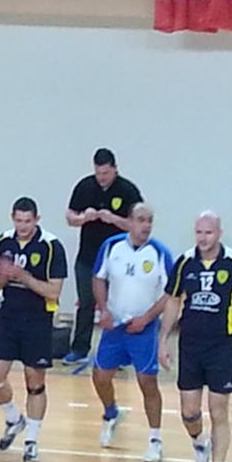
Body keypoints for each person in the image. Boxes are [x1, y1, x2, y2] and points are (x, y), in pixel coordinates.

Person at [159, 212, 232, 462]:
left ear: (219, 233)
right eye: (199, 232)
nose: (203, 238)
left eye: (208, 232)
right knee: (189, 412)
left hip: (222, 345)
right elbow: (173, 300)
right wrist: (163, 340)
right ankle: (200, 444)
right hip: (190, 344)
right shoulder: (185, 262)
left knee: (218, 409)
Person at [0, 197, 67, 462]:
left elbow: (53, 291)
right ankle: (13, 418)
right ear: (12, 218)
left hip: (37, 320)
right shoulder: (3, 242)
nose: (23, 226)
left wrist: (24, 277)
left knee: (35, 382)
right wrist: (4, 276)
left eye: (27, 221)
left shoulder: (51, 246)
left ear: (37, 219)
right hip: (8, 317)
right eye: (18, 221)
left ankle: (32, 441)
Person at [91, 203, 172, 462]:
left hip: (144, 329)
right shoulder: (111, 246)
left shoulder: (159, 252)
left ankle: (155, 439)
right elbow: (98, 278)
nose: (146, 225)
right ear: (129, 221)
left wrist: (146, 318)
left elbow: (170, 294)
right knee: (100, 376)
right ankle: (111, 413)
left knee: (147, 382)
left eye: (150, 220)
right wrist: (103, 309)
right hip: (115, 325)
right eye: (140, 220)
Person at [64, 148, 143, 365]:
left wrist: (114, 219)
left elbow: (138, 225)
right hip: (88, 257)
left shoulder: (127, 190)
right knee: (86, 303)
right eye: (98, 173)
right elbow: (70, 217)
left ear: (115, 169)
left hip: (118, 260)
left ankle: (119, 353)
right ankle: (79, 349)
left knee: (118, 306)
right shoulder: (85, 186)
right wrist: (83, 218)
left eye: (106, 173)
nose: (102, 178)